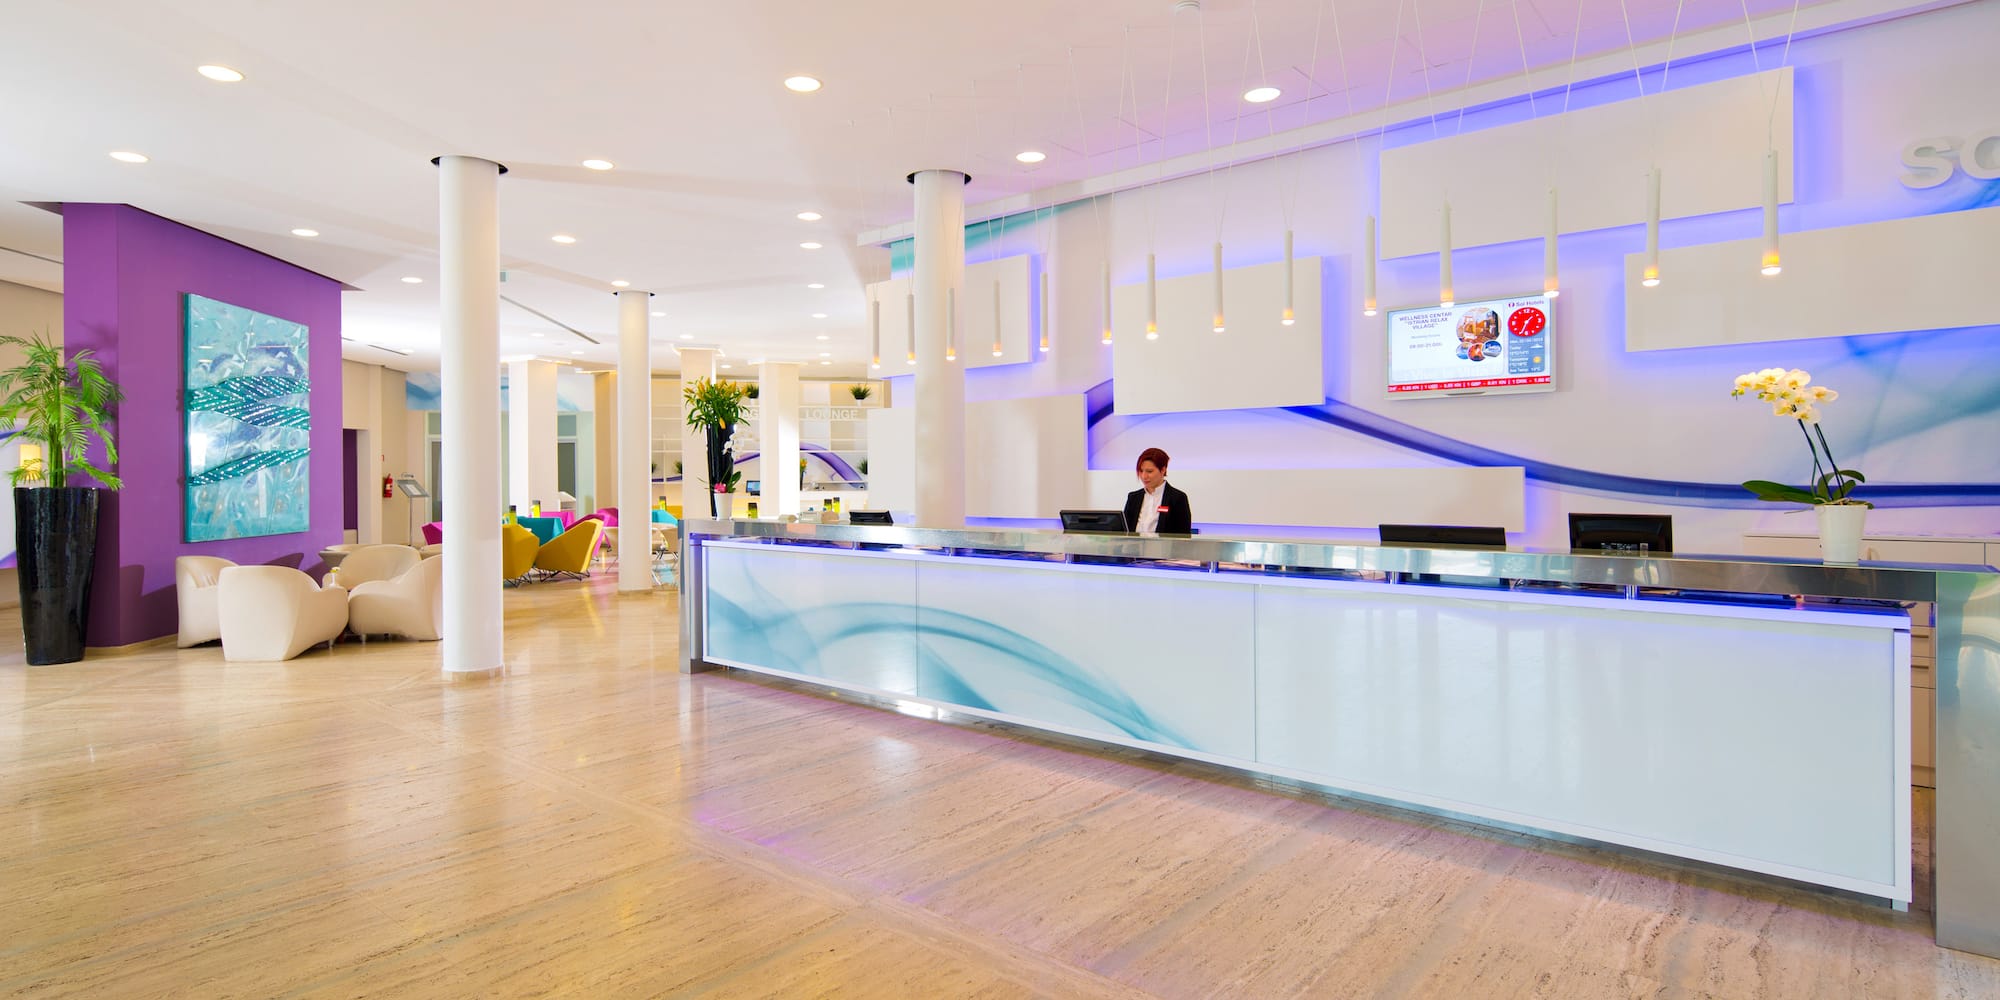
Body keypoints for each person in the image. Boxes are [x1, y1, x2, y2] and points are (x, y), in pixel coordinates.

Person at [1124, 447, 1191, 534]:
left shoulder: (1177, 498)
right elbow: (1125, 529)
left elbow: (1183, 535)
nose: (1144, 476)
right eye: (1141, 471)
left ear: (1163, 470)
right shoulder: (1133, 497)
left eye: (1149, 471)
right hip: (1135, 547)